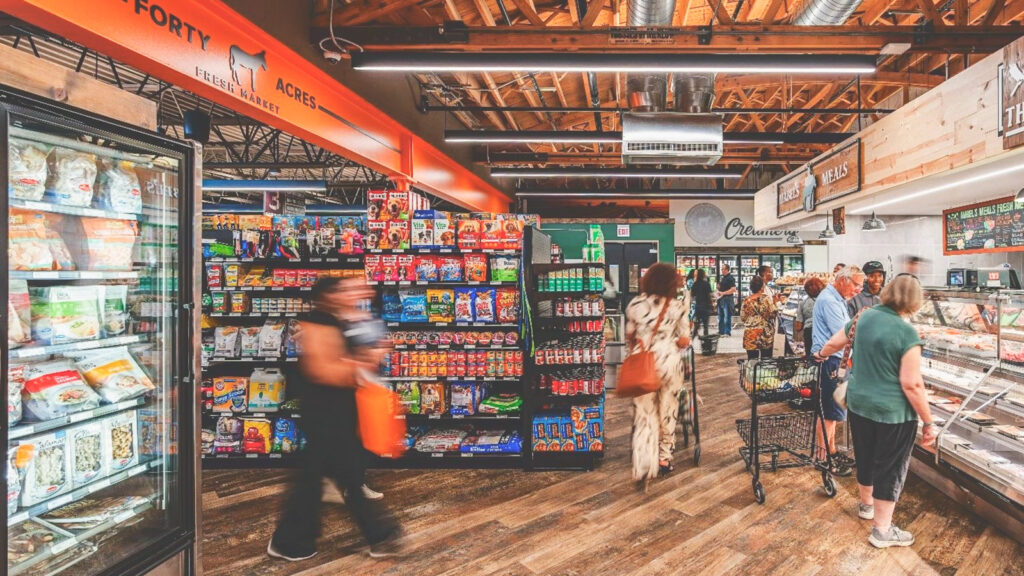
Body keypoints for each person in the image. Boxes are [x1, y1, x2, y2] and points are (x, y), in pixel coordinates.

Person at [269, 277, 403, 561]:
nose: (350, 294)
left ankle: (295, 539)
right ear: (328, 297)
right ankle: (377, 534)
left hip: (339, 411)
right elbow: (323, 370)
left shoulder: (339, 320)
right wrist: (365, 362)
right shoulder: (317, 323)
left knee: (332, 474)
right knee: (327, 476)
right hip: (325, 413)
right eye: (342, 290)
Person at [815, 275, 937, 548]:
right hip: (892, 412)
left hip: (859, 404)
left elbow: (835, 343)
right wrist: (929, 421)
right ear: (915, 301)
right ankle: (882, 530)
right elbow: (912, 383)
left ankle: (866, 505)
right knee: (890, 467)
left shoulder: (864, 317)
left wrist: (822, 353)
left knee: (866, 456)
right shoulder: (907, 333)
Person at [626, 263, 692, 487]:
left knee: (645, 412)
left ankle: (644, 463)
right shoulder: (677, 306)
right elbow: (685, 340)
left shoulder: (635, 304)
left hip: (643, 361)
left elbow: (630, 335)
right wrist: (671, 340)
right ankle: (664, 458)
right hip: (669, 362)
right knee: (668, 410)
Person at [811, 265, 865, 477]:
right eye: (857, 285)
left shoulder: (836, 299)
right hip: (831, 363)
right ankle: (823, 459)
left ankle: (830, 452)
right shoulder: (830, 301)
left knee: (832, 414)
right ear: (844, 280)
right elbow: (842, 336)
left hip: (836, 362)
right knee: (829, 413)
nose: (859, 290)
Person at [740, 276, 777, 359]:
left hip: (750, 333)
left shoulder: (746, 300)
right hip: (764, 333)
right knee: (766, 359)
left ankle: (753, 371)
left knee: (752, 360)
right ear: (762, 286)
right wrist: (775, 302)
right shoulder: (766, 299)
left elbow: (742, 317)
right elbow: (773, 314)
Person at [794, 277, 824, 358]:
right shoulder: (826, 301)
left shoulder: (802, 303)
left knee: (810, 356)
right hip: (823, 332)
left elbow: (798, 327)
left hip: (809, 332)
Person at [690, 268, 713, 338]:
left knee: (697, 325)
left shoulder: (695, 284)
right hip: (706, 307)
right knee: (705, 326)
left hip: (698, 307)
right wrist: (712, 305)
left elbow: (692, 295)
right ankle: (706, 343)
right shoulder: (706, 284)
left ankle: (691, 340)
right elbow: (709, 295)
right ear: (703, 275)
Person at [717, 264, 738, 336]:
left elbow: (733, 289)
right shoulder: (723, 278)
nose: (721, 270)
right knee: (720, 316)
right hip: (721, 299)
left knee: (727, 316)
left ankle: (727, 332)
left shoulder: (730, 278)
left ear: (727, 270)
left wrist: (723, 293)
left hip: (727, 299)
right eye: (721, 269)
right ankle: (721, 331)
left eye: (723, 269)